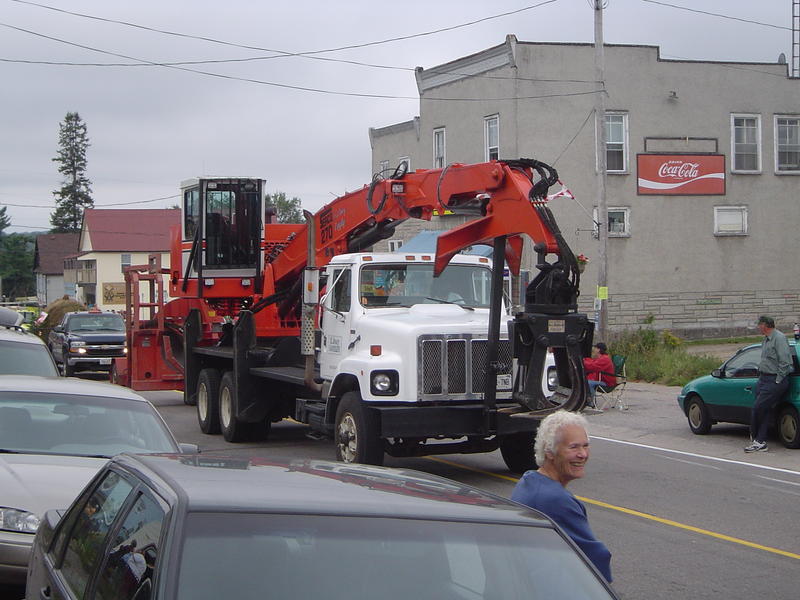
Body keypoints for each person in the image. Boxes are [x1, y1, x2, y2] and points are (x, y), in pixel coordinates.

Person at [511, 410, 612, 582]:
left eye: (585, 445)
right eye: (573, 447)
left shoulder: (529, 481)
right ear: (549, 451)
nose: (583, 454)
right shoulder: (555, 500)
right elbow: (595, 558)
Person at [745, 315, 793, 452]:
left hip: (774, 380)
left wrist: (778, 380)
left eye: (759, 324)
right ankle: (759, 441)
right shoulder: (765, 340)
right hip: (763, 379)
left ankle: (757, 439)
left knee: (758, 408)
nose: (758, 327)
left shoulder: (779, 338)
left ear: (765, 325)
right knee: (764, 410)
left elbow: (785, 361)